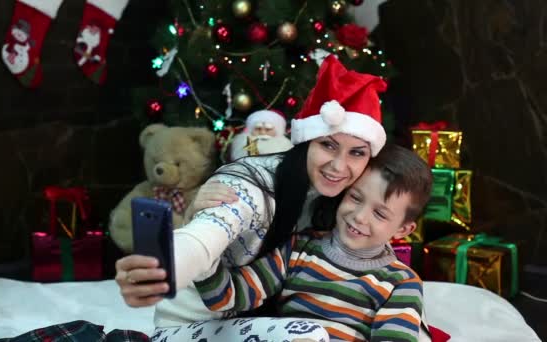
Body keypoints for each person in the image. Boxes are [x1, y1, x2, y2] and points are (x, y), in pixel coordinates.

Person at [115, 55, 388, 337]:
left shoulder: (348, 201)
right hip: (191, 329)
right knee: (308, 335)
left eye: (357, 152)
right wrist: (162, 272)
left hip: (263, 323)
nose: (339, 166)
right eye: (328, 145)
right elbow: (205, 235)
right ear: (306, 140)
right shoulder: (251, 183)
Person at [153, 144, 432, 341]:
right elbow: (228, 297)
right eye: (355, 198)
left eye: (380, 213)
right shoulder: (300, 249)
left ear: (404, 229)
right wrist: (207, 257)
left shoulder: (400, 282)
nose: (359, 217)